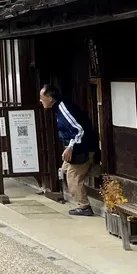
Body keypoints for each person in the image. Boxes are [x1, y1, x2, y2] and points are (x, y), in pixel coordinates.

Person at [40, 84, 100, 216]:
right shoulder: (58, 108)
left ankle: (84, 206)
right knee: (66, 171)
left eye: (42, 97)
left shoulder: (63, 108)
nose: (40, 100)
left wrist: (71, 147)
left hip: (82, 148)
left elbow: (79, 130)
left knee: (73, 176)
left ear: (49, 98)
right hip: (76, 147)